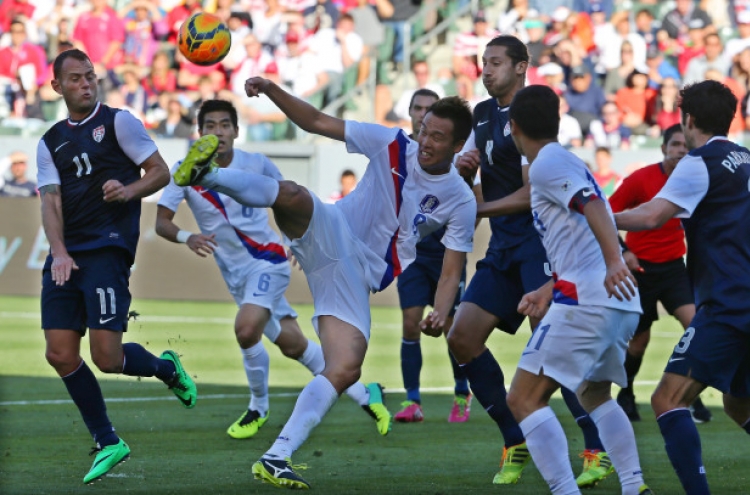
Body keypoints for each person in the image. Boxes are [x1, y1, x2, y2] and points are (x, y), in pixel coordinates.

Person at [171, 81, 476, 490]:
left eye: (438, 137)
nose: (425, 140)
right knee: (294, 195)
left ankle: (276, 456)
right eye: (424, 129)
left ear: (458, 146)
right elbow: (315, 120)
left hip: (360, 274)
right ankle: (207, 174)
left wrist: (441, 310)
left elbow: (453, 269)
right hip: (333, 230)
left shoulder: (460, 198)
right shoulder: (390, 142)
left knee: (347, 366)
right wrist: (270, 89)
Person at [156, 99, 384, 439]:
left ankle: (257, 408)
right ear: (200, 132)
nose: (218, 132)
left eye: (225, 125)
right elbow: (162, 221)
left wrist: (294, 241)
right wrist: (188, 236)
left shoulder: (256, 163)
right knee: (294, 346)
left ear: (236, 130)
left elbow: (286, 200)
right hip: (235, 275)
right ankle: (366, 394)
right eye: (211, 126)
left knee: (247, 329)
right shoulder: (184, 171)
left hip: (268, 262)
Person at [449, 35, 613, 488]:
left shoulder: (530, 116)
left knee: (555, 352)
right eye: (483, 63)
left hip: (540, 248)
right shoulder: (481, 116)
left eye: (496, 63)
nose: (486, 70)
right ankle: (514, 440)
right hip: (502, 247)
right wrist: (464, 181)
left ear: (522, 67)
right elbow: (492, 190)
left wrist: (475, 209)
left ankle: (597, 448)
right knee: (461, 337)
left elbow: (529, 194)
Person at [35, 48, 197, 484]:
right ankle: (108, 441)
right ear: (57, 87)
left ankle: (167, 368)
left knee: (106, 358)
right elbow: (50, 201)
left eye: (90, 76)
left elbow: (160, 172)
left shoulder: (119, 121)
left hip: (107, 249)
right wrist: (59, 251)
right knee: (59, 353)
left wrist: (128, 191)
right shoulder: (49, 141)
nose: (86, 84)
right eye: (76, 79)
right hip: (67, 255)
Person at [504, 83, 652, 495]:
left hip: (589, 301)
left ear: (513, 127)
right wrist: (549, 289)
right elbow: (581, 229)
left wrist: (613, 261)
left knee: (523, 400)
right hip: (613, 301)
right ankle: (634, 484)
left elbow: (591, 203)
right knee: (594, 394)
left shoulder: (548, 165)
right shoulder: (563, 160)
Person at [615, 79, 750, 495]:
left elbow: (653, 216)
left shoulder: (699, 161)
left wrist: (590, 210)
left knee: (667, 399)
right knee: (737, 402)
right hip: (740, 295)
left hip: (730, 302)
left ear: (687, 119)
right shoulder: (745, 157)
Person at [608, 124, 712, 424]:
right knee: (638, 341)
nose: (680, 150)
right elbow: (605, 213)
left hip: (674, 268)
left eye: (685, 145)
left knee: (697, 328)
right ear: (664, 148)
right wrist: (623, 250)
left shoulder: (694, 179)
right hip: (640, 270)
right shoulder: (641, 178)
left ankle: (690, 396)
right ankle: (626, 394)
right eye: (675, 144)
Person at [393, 88, 472, 423]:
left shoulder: (454, 157)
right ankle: (413, 401)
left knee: (452, 327)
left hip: (446, 256)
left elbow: (472, 201)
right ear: (412, 114)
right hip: (411, 256)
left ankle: (461, 392)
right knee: (411, 324)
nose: (422, 114)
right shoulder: (401, 153)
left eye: (429, 108)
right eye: (418, 109)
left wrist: (466, 173)